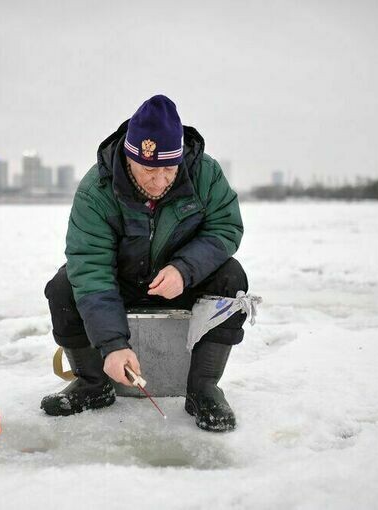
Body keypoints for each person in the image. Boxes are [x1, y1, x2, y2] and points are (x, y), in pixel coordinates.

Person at [41, 94, 247, 431]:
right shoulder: (97, 190)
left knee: (231, 278)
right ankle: (93, 385)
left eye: (169, 168)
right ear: (128, 157)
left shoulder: (205, 173)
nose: (160, 180)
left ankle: (203, 389)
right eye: (148, 169)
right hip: (120, 283)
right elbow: (90, 269)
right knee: (64, 287)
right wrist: (112, 346)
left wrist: (185, 269)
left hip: (180, 282)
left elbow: (226, 227)